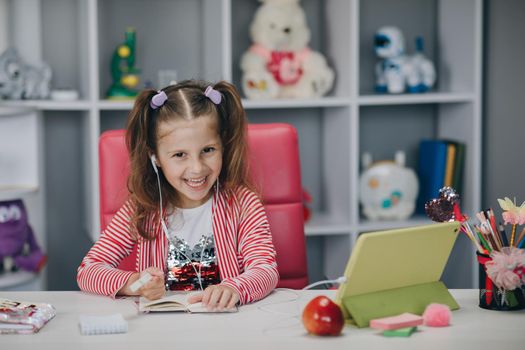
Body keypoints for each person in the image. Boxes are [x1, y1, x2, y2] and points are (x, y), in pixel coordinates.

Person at [77, 80, 279, 310]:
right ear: (156, 159)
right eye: (180, 154)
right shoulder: (141, 208)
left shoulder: (243, 204)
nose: (197, 168)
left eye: (208, 150)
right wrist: (132, 284)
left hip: (226, 326)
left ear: (223, 146)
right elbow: (89, 270)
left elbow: (265, 269)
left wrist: (235, 288)